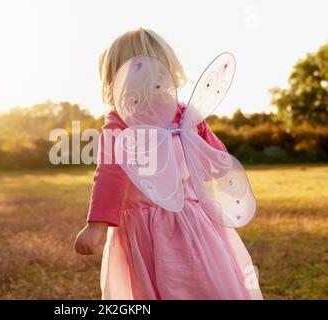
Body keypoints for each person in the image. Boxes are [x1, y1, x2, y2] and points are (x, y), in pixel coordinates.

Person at [75, 28, 263, 300]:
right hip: (172, 223)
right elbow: (110, 174)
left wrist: (97, 226)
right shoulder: (150, 119)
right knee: (185, 284)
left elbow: (215, 158)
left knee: (181, 285)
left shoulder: (165, 117)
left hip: (171, 223)